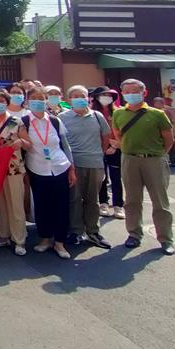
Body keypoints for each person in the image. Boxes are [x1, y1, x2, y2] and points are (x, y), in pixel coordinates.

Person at [112, 79, 175, 255]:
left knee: (160, 201)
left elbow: (169, 139)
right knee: (132, 200)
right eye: (126, 92)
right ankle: (134, 234)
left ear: (144, 93)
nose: (131, 94)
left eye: (135, 91)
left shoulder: (157, 114)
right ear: (122, 94)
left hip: (154, 160)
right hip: (129, 159)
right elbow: (118, 136)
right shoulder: (118, 114)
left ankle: (165, 238)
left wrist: (157, 155)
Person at [21, 87, 76, 259]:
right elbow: (22, 149)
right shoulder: (23, 122)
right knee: (42, 205)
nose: (38, 101)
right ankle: (45, 238)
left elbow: (65, 145)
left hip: (59, 167)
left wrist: (72, 168)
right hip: (36, 168)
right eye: (34, 98)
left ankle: (60, 242)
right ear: (28, 101)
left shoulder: (55, 121)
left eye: (41, 98)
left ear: (46, 101)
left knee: (61, 205)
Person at [60, 85, 112, 249]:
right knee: (74, 198)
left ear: (88, 98)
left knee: (92, 199)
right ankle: (76, 231)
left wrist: (99, 153)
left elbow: (106, 136)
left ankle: (93, 231)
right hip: (73, 164)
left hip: (95, 163)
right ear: (69, 100)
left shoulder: (97, 116)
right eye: (75, 96)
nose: (79, 99)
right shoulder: (62, 117)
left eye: (82, 95)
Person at [0, 90, 28, 255]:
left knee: (15, 204)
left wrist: (21, 141)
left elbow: (29, 143)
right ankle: (3, 235)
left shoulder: (15, 121)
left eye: (1, 101)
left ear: (7, 103)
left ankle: (19, 240)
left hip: (13, 168)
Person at [92, 86, 125, 219]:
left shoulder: (118, 111)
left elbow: (123, 131)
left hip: (115, 148)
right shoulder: (92, 113)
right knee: (102, 178)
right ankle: (103, 203)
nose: (106, 98)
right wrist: (103, 146)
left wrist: (115, 145)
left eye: (109, 95)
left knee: (116, 178)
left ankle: (118, 205)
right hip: (98, 149)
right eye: (103, 95)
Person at [152, 97, 175, 167]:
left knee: (171, 146)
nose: (161, 104)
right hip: (157, 133)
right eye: (158, 102)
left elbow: (171, 122)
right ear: (154, 104)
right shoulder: (152, 112)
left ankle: (173, 162)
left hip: (167, 131)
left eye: (162, 102)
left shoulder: (167, 111)